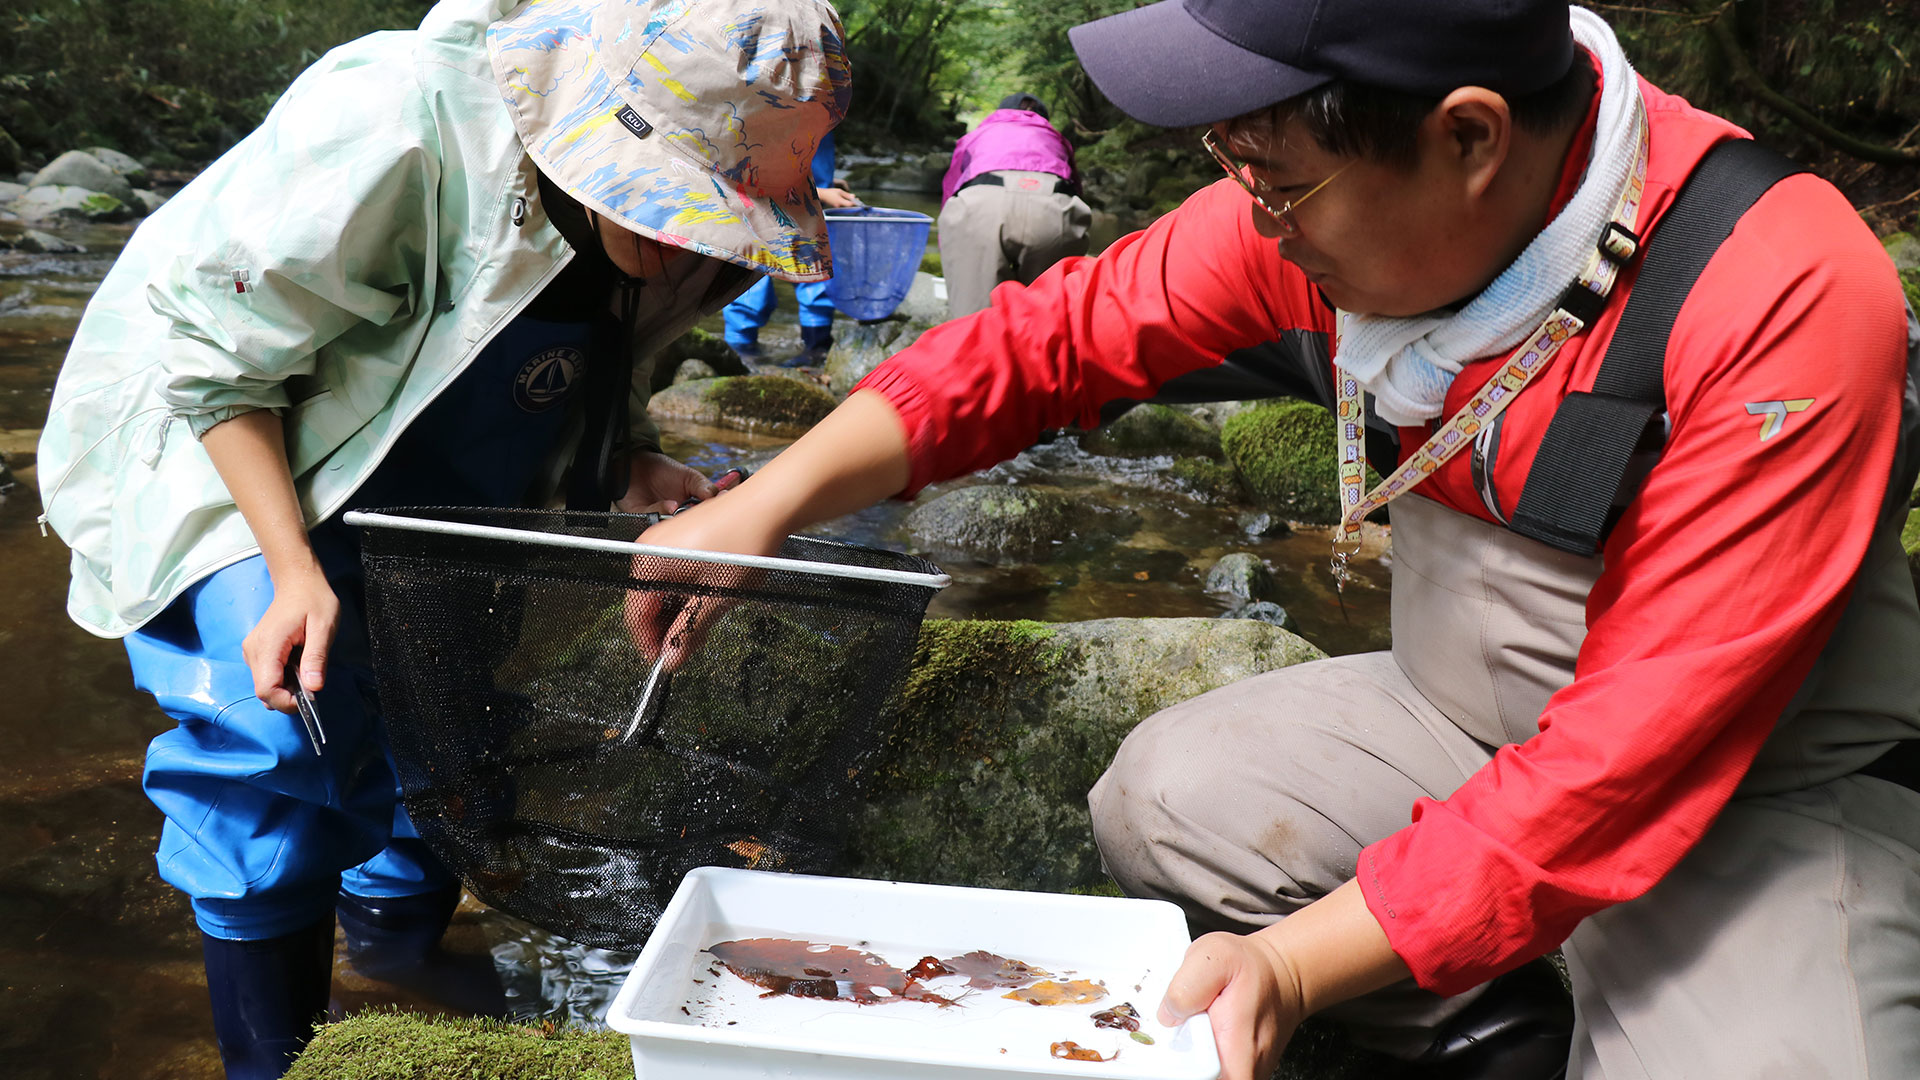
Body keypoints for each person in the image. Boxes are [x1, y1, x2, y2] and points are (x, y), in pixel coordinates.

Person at [630, 2, 1920, 1078]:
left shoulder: (1777, 290)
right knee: (1171, 800)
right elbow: (1050, 343)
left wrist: (1296, 965)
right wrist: (763, 505)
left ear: (1467, 136)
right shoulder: (1314, 218)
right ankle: (1506, 1023)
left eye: (1279, 180)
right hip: (1461, 725)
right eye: (1230, 167)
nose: (1254, 219)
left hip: (1744, 799)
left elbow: (1628, 761)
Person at [33, 0, 849, 1076]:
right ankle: (268, 1053)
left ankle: (394, 956)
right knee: (284, 734)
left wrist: (627, 461)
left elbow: (600, 365)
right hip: (229, 432)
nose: (686, 248)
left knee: (453, 719)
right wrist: (290, 571)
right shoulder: (401, 120)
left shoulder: (699, 238)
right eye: (675, 213)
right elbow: (215, 354)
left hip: (434, 465)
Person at [937, 91, 1092, 317]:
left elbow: (950, 189)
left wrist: (950, 249)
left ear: (1000, 113)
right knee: (1047, 317)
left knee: (973, 323)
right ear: (1043, 119)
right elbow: (1076, 189)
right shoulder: (1057, 138)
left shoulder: (976, 135)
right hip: (1051, 211)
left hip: (981, 207)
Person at [722, 131, 863, 368]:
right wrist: (821, 191)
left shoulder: (816, 110)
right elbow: (757, 171)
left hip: (797, 198)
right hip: (767, 198)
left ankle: (809, 348)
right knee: (756, 263)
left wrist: (824, 184)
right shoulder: (785, 107)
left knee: (783, 263)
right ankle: (743, 350)